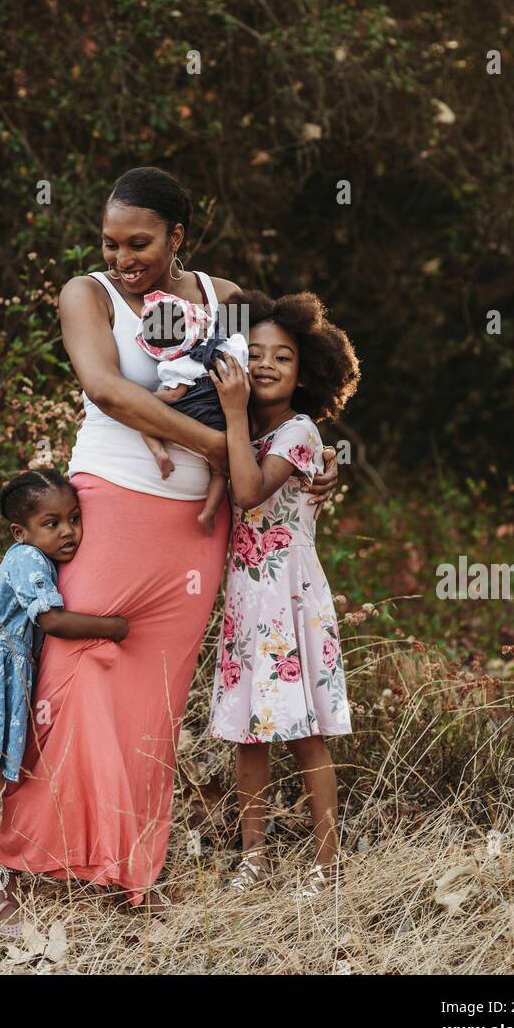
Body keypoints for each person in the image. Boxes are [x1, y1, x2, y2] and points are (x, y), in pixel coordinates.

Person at [0, 167, 340, 909]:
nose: (123, 257)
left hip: (199, 529)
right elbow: (106, 389)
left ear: (178, 236)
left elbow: (270, 391)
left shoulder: (226, 300)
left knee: (156, 698)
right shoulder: (85, 294)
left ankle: (129, 867)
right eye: (111, 242)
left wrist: (314, 452)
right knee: (79, 668)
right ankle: (39, 848)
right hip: (114, 504)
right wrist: (219, 450)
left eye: (140, 243)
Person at [0, 469, 128, 936]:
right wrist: (112, 627)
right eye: (51, 523)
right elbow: (51, 621)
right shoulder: (28, 560)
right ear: (22, 532)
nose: (68, 531)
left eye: (74, 519)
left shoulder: (37, 558)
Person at [207, 289, 360, 900]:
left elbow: (248, 492)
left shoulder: (297, 431)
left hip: (290, 598)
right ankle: (255, 857)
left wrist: (236, 412)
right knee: (250, 730)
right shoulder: (247, 423)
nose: (267, 365)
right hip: (248, 598)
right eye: (257, 352)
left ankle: (327, 864)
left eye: (285, 357)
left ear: (306, 375)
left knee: (304, 732)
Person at [135, 287, 250, 533]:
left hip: (186, 418)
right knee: (219, 471)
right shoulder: (230, 347)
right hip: (219, 418)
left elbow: (175, 394)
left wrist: (151, 399)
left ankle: (159, 453)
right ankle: (208, 513)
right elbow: (244, 366)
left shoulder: (178, 364)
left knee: (145, 420)